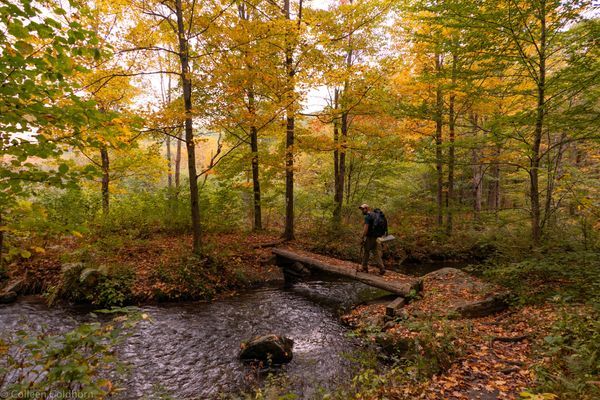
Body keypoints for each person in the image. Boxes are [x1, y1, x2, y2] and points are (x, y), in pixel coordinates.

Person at [358, 203, 386, 275]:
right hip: (376, 237)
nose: (362, 210)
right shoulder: (375, 215)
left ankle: (364, 267)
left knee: (366, 251)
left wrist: (362, 237)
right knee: (375, 252)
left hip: (370, 237)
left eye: (363, 209)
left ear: (367, 208)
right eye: (361, 209)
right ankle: (382, 268)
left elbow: (366, 228)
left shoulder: (368, 216)